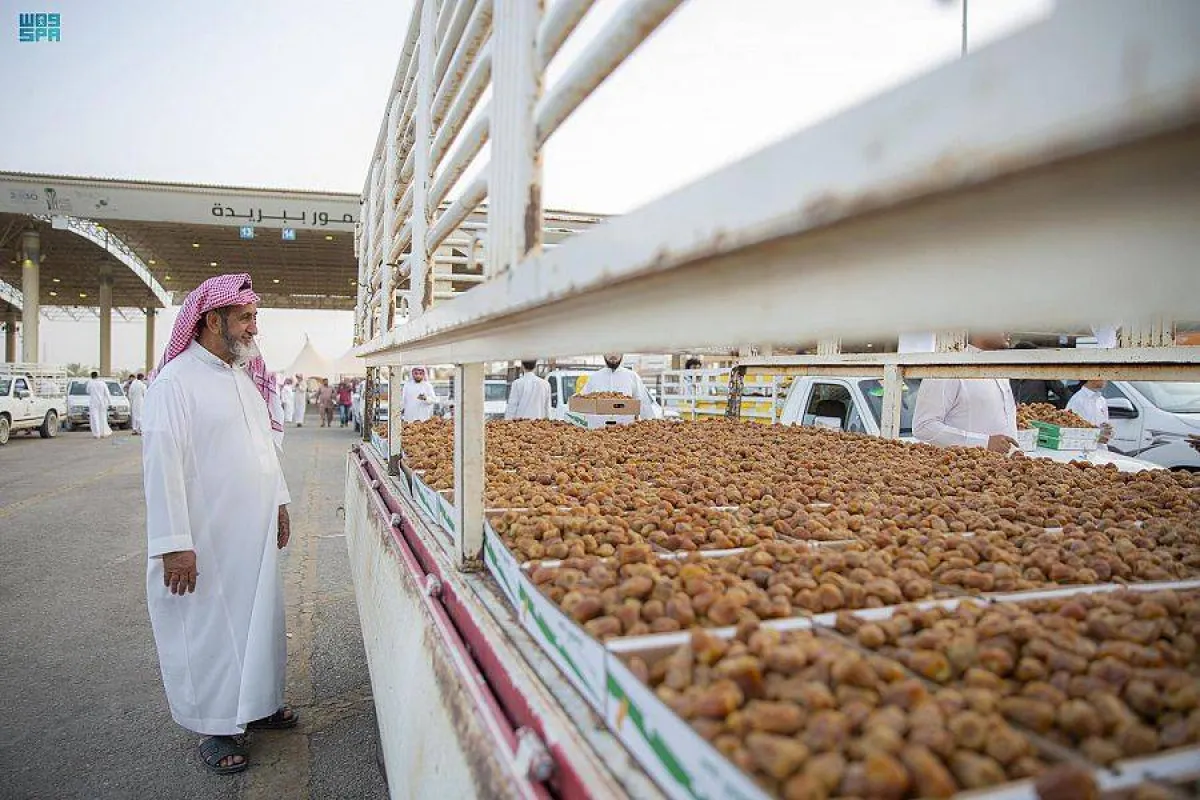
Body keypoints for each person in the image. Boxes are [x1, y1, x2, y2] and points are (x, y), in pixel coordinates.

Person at [141, 273, 295, 775]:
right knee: (210, 630)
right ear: (212, 321)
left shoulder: (244, 377)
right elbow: (161, 468)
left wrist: (279, 502)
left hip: (250, 536)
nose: (254, 328)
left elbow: (264, 450)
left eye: (255, 317)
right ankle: (214, 725)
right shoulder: (174, 384)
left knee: (258, 622)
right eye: (246, 317)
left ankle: (258, 705)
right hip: (203, 539)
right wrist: (173, 544)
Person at [912, 332, 1020, 454]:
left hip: (1005, 470)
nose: (1009, 329)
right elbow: (924, 427)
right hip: (962, 469)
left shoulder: (1000, 368)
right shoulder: (948, 367)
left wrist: (1013, 453)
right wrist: (984, 443)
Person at [579, 354, 661, 418]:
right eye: (609, 350)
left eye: (617, 350)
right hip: (599, 432)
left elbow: (645, 407)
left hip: (627, 433)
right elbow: (579, 406)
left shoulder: (632, 377)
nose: (613, 355)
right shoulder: (594, 378)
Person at [1008, 342, 1071, 407]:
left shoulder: (1042, 373)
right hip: (1011, 415)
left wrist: (1055, 410)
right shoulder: (1007, 375)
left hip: (1036, 415)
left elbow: (1064, 393)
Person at [1066, 378, 1113, 445]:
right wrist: (1095, 437)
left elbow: (1105, 429)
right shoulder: (1077, 400)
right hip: (1082, 453)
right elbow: (1067, 433)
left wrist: (1108, 432)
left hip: (1101, 451)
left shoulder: (1102, 400)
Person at [85, 370, 112, 439]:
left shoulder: (90, 383)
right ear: (97, 376)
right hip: (102, 403)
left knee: (95, 417)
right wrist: (110, 402)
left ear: (91, 376)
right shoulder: (102, 383)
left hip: (94, 402)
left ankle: (97, 434)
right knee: (102, 417)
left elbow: (87, 391)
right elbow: (107, 393)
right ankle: (103, 433)